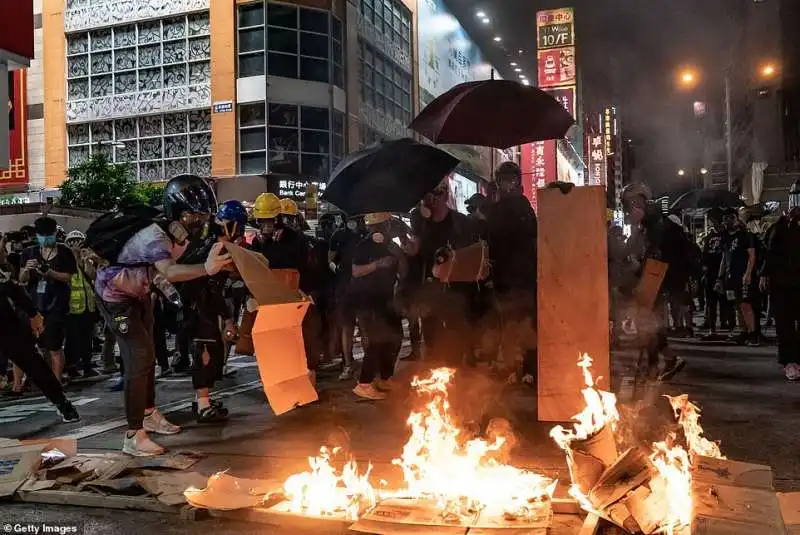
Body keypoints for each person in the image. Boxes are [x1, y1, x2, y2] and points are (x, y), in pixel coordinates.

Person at [93, 174, 233, 456]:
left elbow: (158, 272)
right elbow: (170, 270)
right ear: (180, 213)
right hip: (116, 299)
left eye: (204, 215)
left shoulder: (176, 234)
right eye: (196, 215)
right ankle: (133, 435)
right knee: (139, 357)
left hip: (140, 295)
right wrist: (207, 268)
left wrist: (167, 291)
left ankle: (148, 413)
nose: (201, 222)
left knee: (150, 357)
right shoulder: (155, 236)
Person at [621, 183, 686, 381]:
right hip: (656, 278)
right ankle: (657, 363)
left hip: (654, 279)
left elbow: (654, 255)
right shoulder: (652, 222)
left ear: (637, 202)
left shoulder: (654, 224)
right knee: (647, 324)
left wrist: (639, 268)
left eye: (628, 206)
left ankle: (659, 363)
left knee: (647, 324)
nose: (627, 212)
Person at [0, 261, 80, 421]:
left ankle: (62, 403)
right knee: (32, 363)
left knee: (32, 363)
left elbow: (11, 288)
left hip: (5, 324)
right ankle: (63, 404)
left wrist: (33, 313)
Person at [483, 162, 538, 381]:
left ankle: (527, 369)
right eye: (503, 180)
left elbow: (533, 238)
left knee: (524, 323)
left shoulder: (518, 206)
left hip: (521, 277)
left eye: (510, 180)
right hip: (505, 278)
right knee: (510, 323)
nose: (507, 184)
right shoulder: (498, 208)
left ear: (517, 182)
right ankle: (515, 368)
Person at [349, 213, 404, 400]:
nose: (383, 230)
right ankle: (364, 383)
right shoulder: (363, 246)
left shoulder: (391, 246)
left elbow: (403, 269)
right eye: (379, 226)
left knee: (395, 337)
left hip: (386, 299)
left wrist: (400, 251)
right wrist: (378, 264)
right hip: (368, 300)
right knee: (376, 340)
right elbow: (356, 271)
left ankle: (385, 377)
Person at [19, 217, 77, 384]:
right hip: (33, 304)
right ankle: (24, 382)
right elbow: (21, 279)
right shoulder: (28, 252)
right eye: (42, 235)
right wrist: (28, 269)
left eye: (49, 235)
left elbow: (68, 277)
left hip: (56, 305)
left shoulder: (64, 251)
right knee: (29, 345)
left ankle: (57, 381)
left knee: (54, 346)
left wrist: (49, 273)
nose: (46, 238)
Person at [761, 180, 800, 380]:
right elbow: (771, 252)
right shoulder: (781, 226)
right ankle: (789, 361)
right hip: (783, 283)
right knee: (785, 325)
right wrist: (765, 275)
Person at [329, 216, 364, 379]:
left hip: (365, 288)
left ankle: (368, 365)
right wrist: (337, 268)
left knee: (365, 327)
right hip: (344, 288)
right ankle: (348, 364)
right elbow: (330, 258)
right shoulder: (338, 236)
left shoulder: (367, 235)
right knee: (346, 327)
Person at [717, 209, 759, 345]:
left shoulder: (746, 236)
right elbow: (725, 257)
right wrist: (720, 276)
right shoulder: (725, 237)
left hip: (742, 275)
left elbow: (752, 256)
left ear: (736, 219)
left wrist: (748, 273)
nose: (729, 221)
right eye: (726, 218)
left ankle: (753, 334)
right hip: (730, 276)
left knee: (745, 304)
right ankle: (744, 332)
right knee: (737, 305)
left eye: (731, 218)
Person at [63, 230, 99, 378]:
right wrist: (73, 257)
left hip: (88, 306)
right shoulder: (65, 262)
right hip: (72, 308)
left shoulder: (86, 261)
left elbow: (93, 276)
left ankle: (87, 365)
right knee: (73, 340)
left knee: (87, 339)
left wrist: (85, 261)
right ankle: (71, 366)